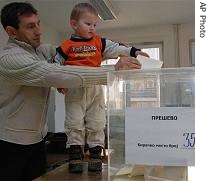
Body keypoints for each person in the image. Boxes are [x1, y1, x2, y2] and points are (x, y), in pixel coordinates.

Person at [0, 2, 142, 181]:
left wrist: (122, 50)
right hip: (9, 144)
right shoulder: (9, 59)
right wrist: (113, 71)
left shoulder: (43, 51)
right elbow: (55, 73)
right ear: (12, 32)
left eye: (38, 24)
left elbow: (80, 54)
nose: (38, 31)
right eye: (30, 26)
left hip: (37, 142)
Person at [54, 2, 149, 173]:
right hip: (75, 88)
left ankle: (96, 154)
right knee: (74, 120)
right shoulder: (66, 46)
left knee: (97, 120)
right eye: (88, 24)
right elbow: (54, 67)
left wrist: (134, 51)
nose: (92, 28)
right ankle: (75, 154)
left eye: (95, 25)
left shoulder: (99, 42)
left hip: (96, 87)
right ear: (74, 24)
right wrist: (58, 82)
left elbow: (116, 48)